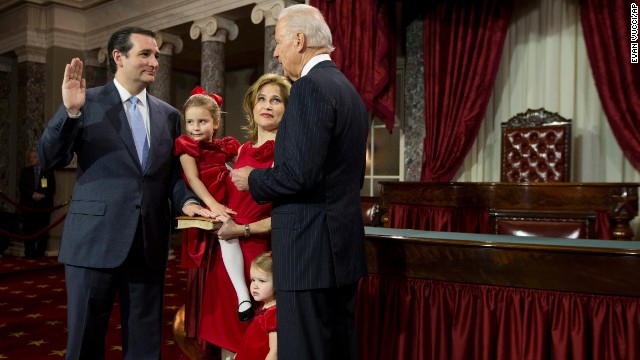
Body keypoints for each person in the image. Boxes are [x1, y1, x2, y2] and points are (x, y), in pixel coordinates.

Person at [37, 26, 195, 359]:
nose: (155, 61)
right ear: (118, 57)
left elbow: (174, 177)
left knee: (145, 344)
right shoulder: (85, 102)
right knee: (84, 343)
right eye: (145, 54)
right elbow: (50, 158)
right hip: (93, 243)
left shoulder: (169, 115)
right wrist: (69, 112)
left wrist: (190, 202)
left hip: (148, 245)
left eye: (156, 55)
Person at [230, 4, 369, 360]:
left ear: (299, 40)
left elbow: (299, 175)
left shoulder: (309, 88)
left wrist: (252, 179)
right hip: (339, 249)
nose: (275, 52)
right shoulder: (348, 90)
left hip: (308, 253)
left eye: (278, 42)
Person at [185, 73, 290, 357]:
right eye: (261, 99)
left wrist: (242, 231)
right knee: (226, 336)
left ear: (288, 108)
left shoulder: (289, 152)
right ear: (252, 105)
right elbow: (216, 187)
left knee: (259, 341)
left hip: (261, 256)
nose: (267, 105)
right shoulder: (242, 149)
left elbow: (288, 215)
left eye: (276, 100)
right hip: (227, 252)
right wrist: (194, 204)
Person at [175, 86, 253, 322]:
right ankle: (243, 294)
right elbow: (193, 180)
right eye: (190, 122)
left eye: (202, 121)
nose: (195, 128)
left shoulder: (225, 145)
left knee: (244, 225)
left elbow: (244, 160)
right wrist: (212, 205)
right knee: (226, 232)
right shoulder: (187, 147)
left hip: (229, 193)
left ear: (216, 123)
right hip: (209, 197)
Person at [235, 251, 277, 360]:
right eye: (252, 280)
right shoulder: (264, 306)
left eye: (262, 281)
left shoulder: (274, 314)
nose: (254, 286)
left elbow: (274, 353)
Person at [19, 148, 56, 258]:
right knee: (28, 231)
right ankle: (29, 254)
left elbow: (51, 188)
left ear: (40, 158)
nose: (32, 159)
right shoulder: (25, 171)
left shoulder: (48, 172)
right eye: (30, 157)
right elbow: (22, 187)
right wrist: (33, 195)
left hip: (43, 208)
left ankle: (40, 254)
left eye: (34, 157)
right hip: (28, 207)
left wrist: (42, 196)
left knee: (42, 232)